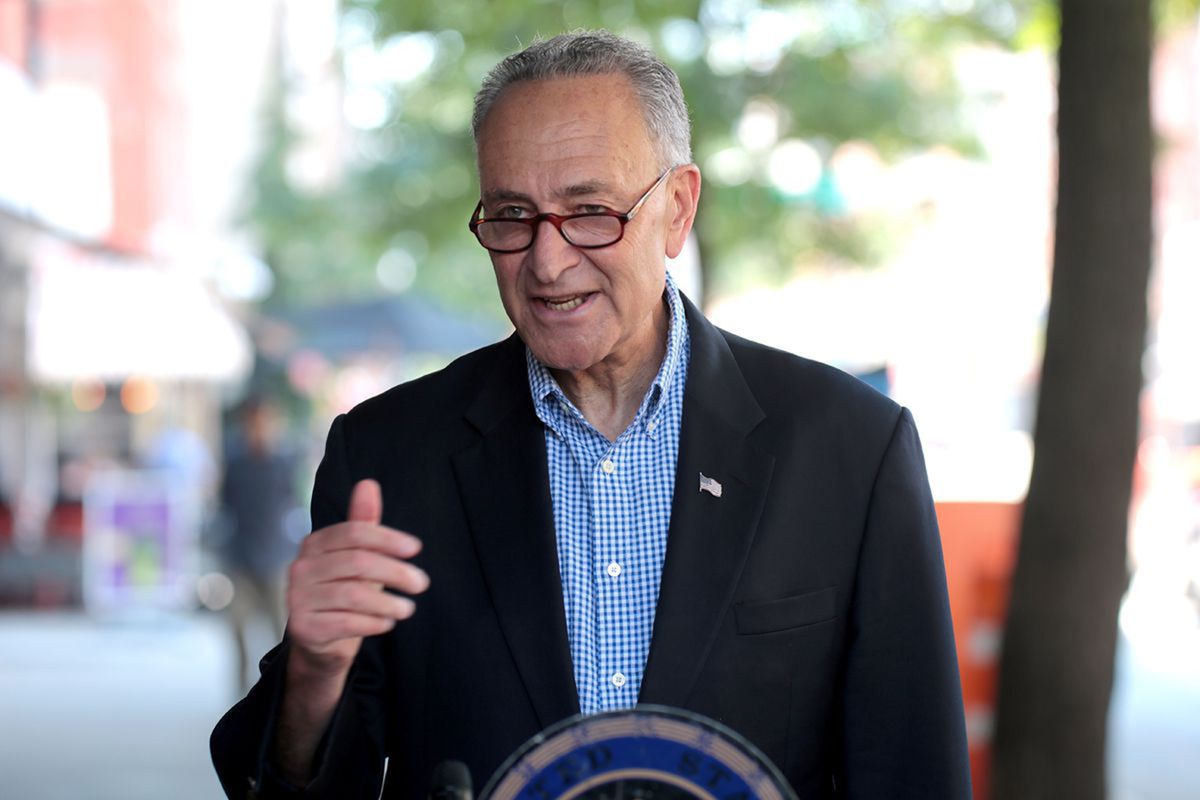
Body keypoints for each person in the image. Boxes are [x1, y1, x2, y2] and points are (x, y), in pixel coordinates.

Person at [211, 30, 970, 799]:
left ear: (677, 209)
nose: (547, 260)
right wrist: (313, 676)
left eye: (590, 211)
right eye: (512, 215)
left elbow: (912, 771)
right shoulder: (389, 457)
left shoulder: (850, 449)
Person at [216, 396, 299, 693]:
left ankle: (279, 692)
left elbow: (291, 503)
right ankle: (241, 696)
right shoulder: (235, 463)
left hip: (276, 557)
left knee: (282, 632)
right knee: (237, 629)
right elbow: (225, 504)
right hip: (240, 558)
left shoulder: (284, 462)